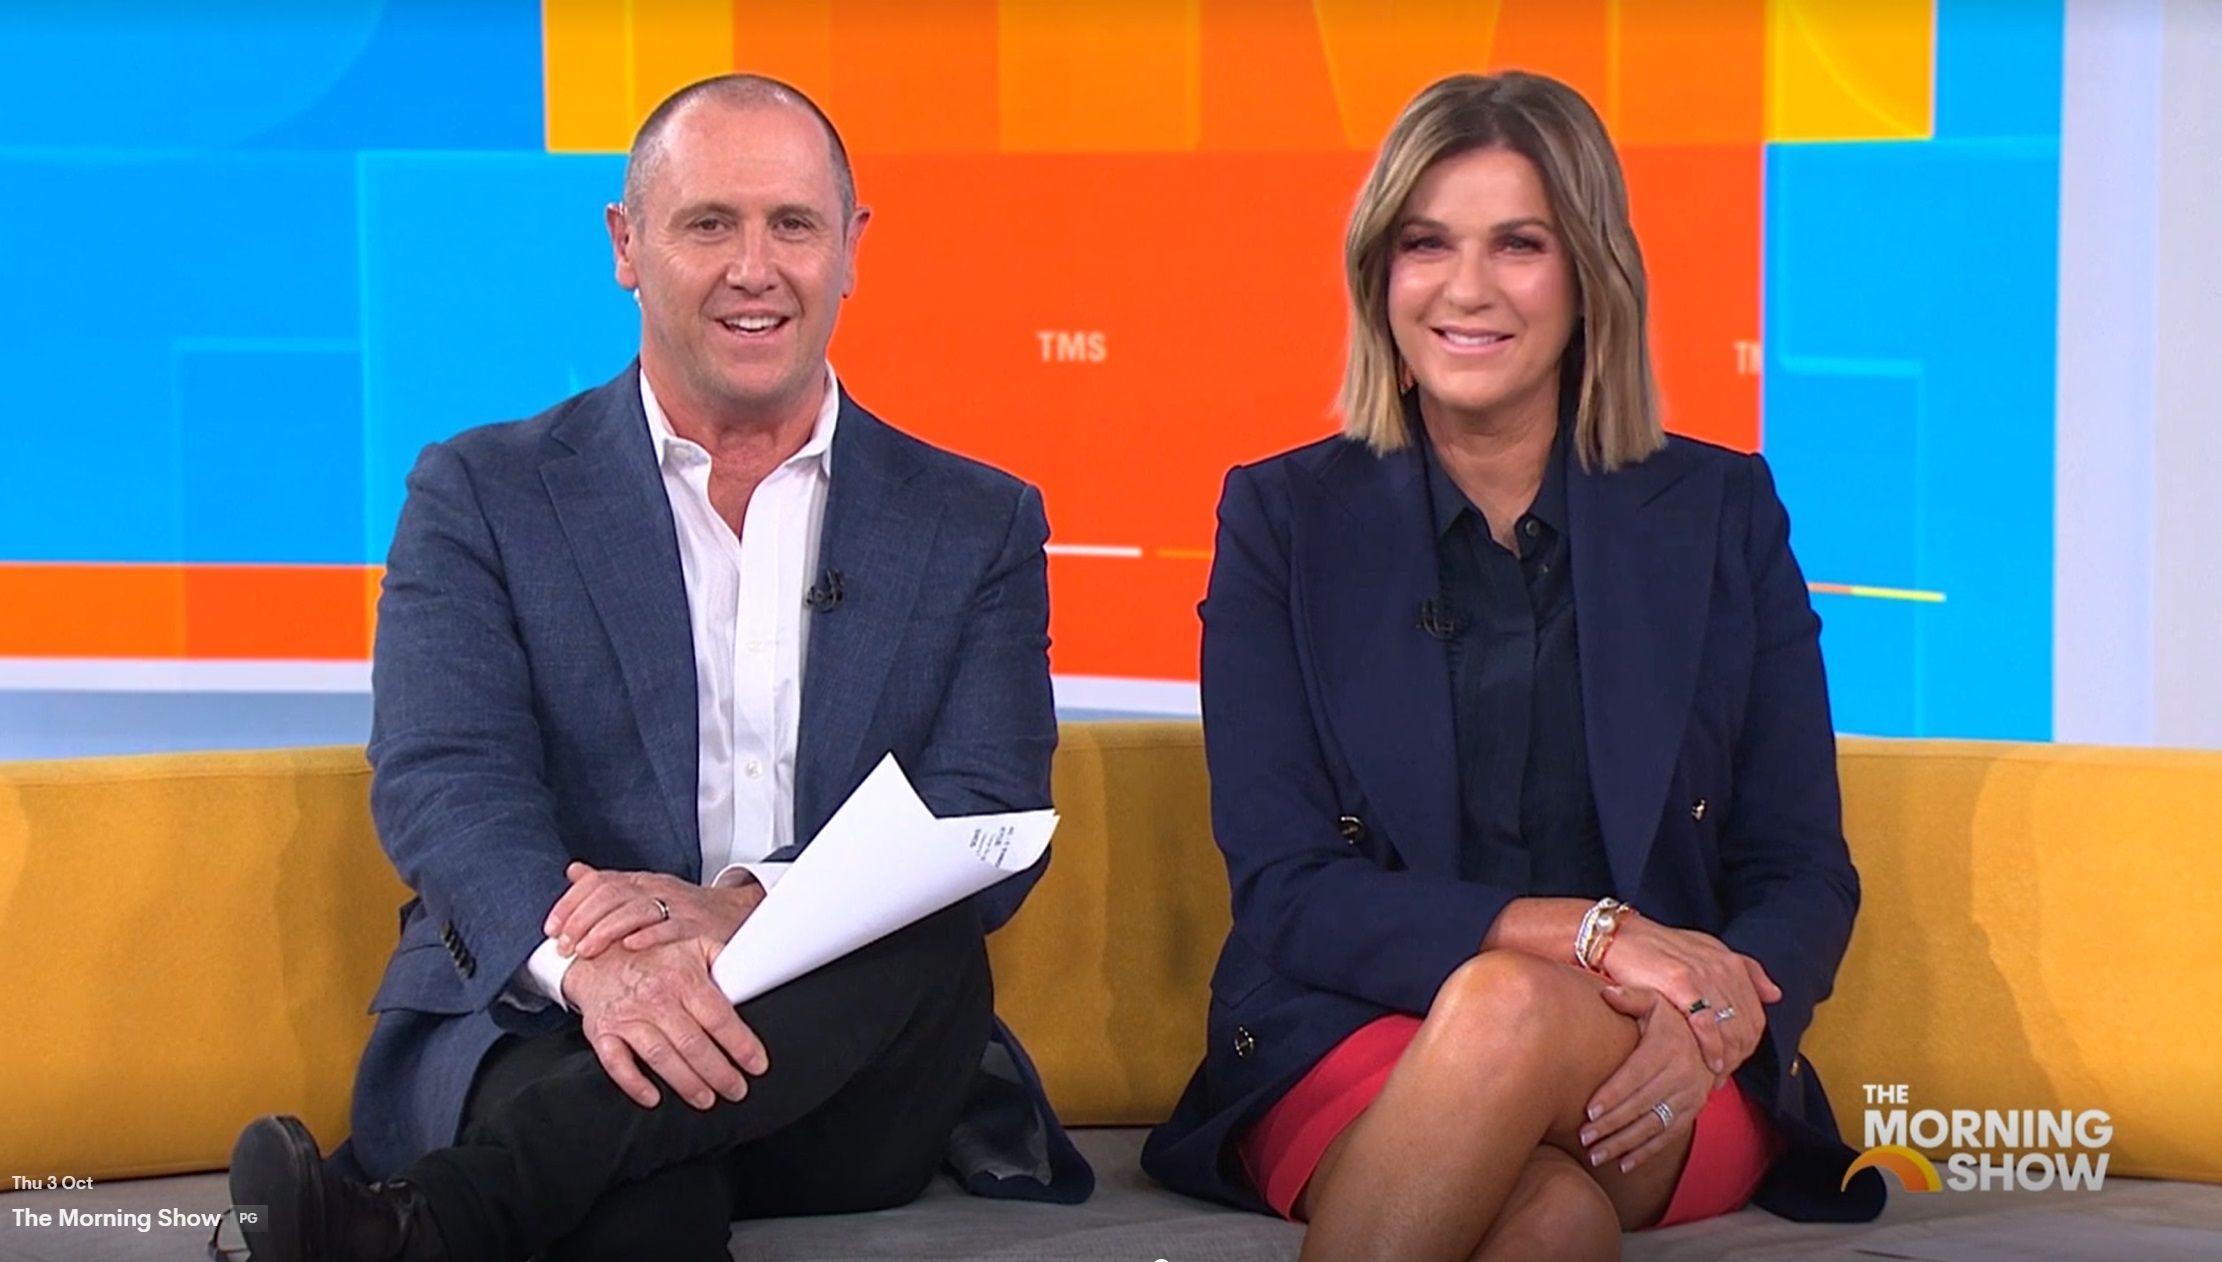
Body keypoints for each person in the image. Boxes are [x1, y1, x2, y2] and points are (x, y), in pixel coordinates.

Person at [225, 74, 1090, 1262]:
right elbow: (447, 778)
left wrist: (743, 910)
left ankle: (415, 1219)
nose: (754, 268)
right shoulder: (482, 493)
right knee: (639, 1208)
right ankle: (427, 1225)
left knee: (922, 913)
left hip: (840, 1066)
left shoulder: (973, 520)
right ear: (626, 246)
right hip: (554, 1021)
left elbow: (984, 807)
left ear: (851, 249)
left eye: (792, 224)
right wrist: (601, 968)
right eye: (708, 223)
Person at [1141, 71, 1884, 1260]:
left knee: (1505, 1009)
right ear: (1379, 276)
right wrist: (1586, 929)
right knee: (1547, 1214)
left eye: (1518, 245)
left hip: (1655, 1049)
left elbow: (1799, 868)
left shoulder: (1718, 512)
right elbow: (1286, 889)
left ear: (1588, 275)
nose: (1465, 287)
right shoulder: (1283, 518)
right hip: (1351, 1027)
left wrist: (1710, 1015)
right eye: (1425, 242)